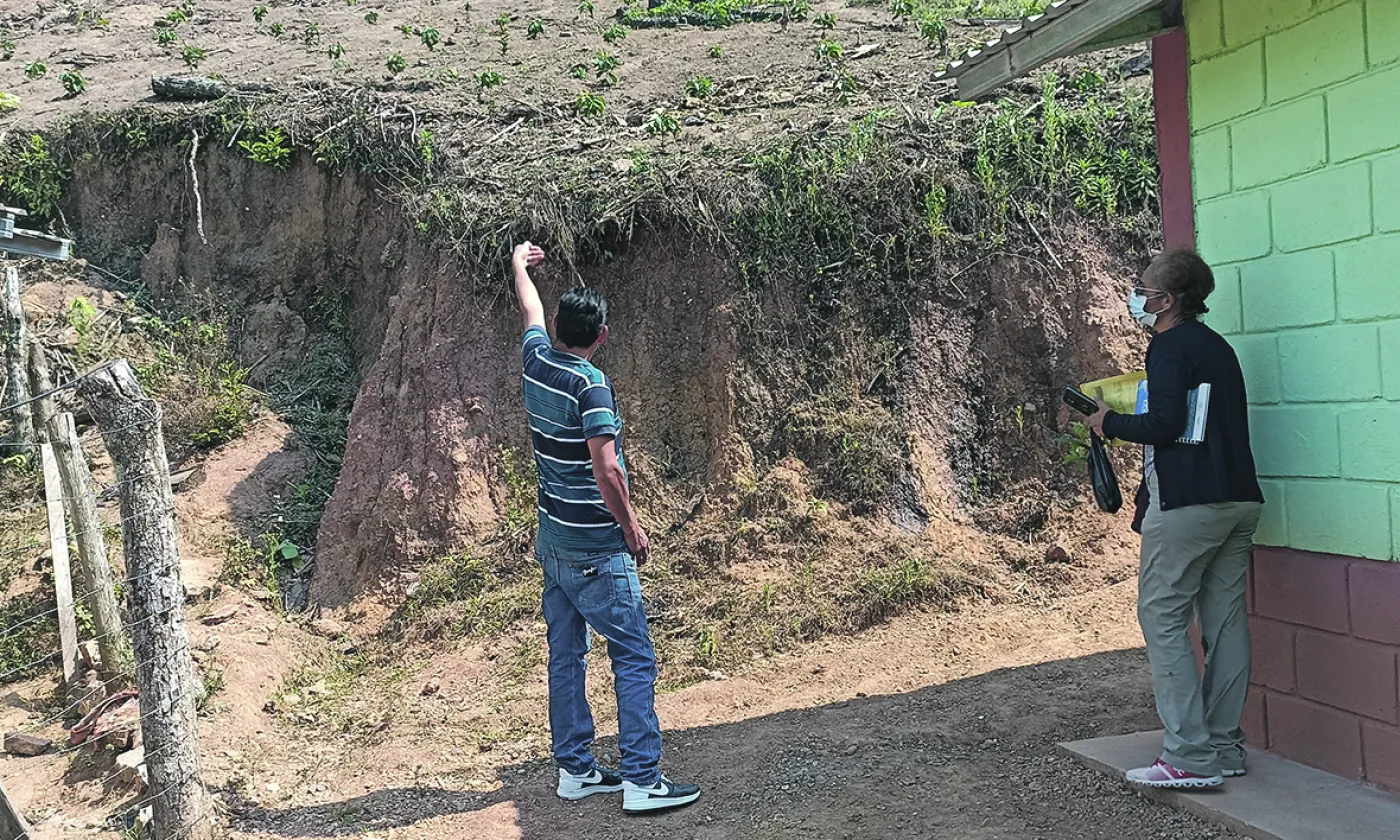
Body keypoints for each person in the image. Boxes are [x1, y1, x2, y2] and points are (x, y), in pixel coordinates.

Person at [511, 241, 701, 812]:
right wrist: (633, 528)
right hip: (596, 544)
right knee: (635, 656)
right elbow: (608, 466)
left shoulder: (536, 360)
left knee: (566, 656)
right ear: (601, 336)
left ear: (561, 327)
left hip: (553, 541)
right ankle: (643, 780)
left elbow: (529, 312)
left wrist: (518, 266)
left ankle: (576, 771)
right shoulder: (590, 384)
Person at [1088, 249, 1264, 790]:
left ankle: (1188, 755)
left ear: (1166, 301)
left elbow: (1166, 424)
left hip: (1188, 503)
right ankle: (1224, 744)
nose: (1136, 295)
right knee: (1226, 619)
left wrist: (1107, 421)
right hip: (1238, 499)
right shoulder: (1216, 347)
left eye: (1142, 289)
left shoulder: (1167, 346)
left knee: (1161, 615)